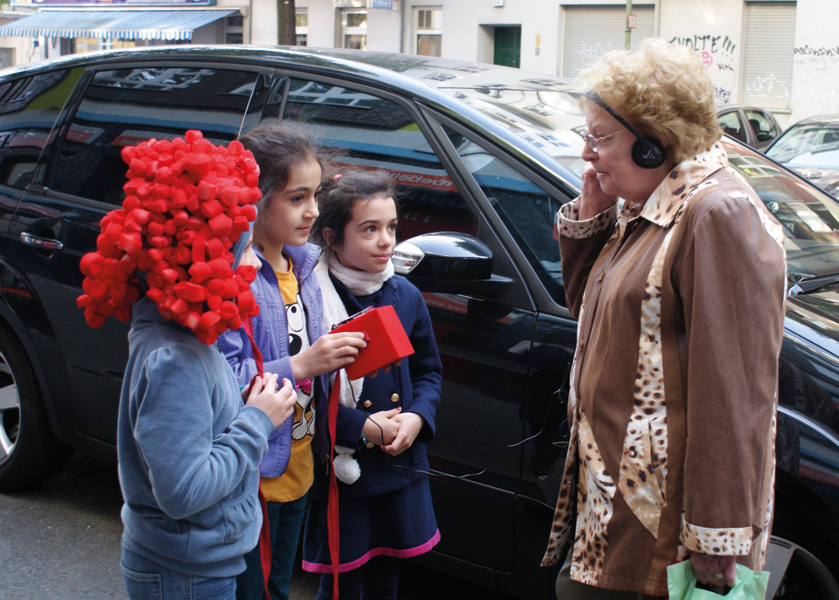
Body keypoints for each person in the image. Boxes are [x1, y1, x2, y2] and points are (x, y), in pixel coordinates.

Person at [540, 39, 787, 599]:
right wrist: (591, 214)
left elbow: (735, 390)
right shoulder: (648, 207)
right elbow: (591, 313)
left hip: (664, 531)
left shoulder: (714, 213)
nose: (588, 153)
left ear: (655, 145)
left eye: (600, 138)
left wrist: (717, 536)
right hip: (613, 504)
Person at [101, 132, 300, 600]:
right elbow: (183, 492)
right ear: (207, 256)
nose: (250, 259)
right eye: (241, 247)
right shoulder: (177, 360)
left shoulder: (181, 340)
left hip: (191, 565)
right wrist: (257, 420)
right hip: (185, 576)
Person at [218, 122, 368, 600]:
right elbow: (224, 380)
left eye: (316, 195)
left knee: (278, 588)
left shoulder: (302, 267)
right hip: (253, 475)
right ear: (255, 202)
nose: (314, 211)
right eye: (296, 198)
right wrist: (303, 365)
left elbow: (314, 353)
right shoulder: (234, 278)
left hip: (299, 465)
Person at [301, 170, 443, 600]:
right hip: (345, 470)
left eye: (392, 228)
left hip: (398, 464)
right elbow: (307, 392)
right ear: (331, 236)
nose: (386, 241)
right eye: (369, 229)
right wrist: (358, 428)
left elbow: (429, 372)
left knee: (386, 579)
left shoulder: (404, 295)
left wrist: (418, 417)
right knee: (339, 581)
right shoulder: (313, 299)